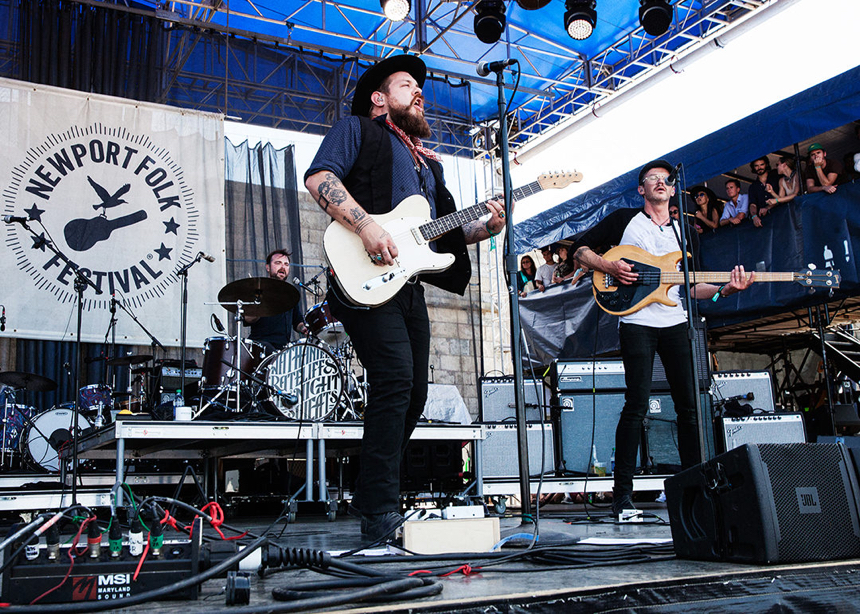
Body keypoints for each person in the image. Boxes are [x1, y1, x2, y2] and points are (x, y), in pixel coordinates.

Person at [304, 55, 505, 542]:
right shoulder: (358, 129)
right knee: (394, 379)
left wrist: (487, 226)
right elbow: (319, 179)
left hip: (408, 284)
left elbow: (435, 237)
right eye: (406, 85)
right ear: (380, 98)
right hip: (362, 277)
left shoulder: (427, 167)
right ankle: (378, 511)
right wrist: (368, 225)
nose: (419, 93)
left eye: (419, 87)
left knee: (413, 394)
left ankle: (374, 494)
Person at [572, 160, 754, 517]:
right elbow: (580, 250)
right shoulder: (624, 221)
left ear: (673, 190)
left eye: (664, 179)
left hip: (675, 321)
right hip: (637, 322)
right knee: (636, 403)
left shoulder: (685, 232)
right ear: (642, 190)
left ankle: (695, 489)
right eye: (651, 179)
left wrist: (724, 291)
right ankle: (622, 495)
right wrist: (609, 266)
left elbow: (693, 287)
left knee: (689, 407)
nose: (659, 182)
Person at [243, 249, 307, 353]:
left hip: (283, 350)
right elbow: (248, 319)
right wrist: (259, 307)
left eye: (286, 264)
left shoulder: (291, 294)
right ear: (268, 267)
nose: (283, 267)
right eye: (278, 263)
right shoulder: (258, 290)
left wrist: (304, 328)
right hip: (260, 348)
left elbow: (297, 322)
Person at [747, 157, 780, 228]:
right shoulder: (753, 187)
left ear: (767, 165)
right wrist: (754, 216)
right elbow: (753, 204)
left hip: (780, 215)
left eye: (762, 165)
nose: (759, 168)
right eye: (756, 166)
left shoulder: (776, 177)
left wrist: (768, 208)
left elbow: (781, 197)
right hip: (765, 222)